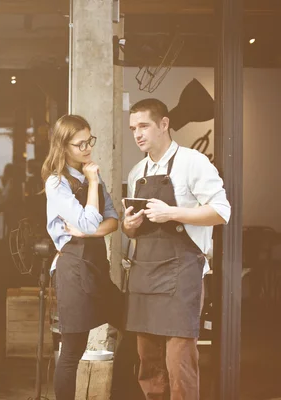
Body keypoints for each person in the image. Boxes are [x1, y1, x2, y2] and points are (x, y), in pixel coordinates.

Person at [122, 98, 231, 399]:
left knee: (178, 361)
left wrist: (172, 213)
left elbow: (222, 212)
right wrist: (129, 224)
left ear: (164, 124)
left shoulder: (193, 162)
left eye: (144, 126)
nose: (137, 134)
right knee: (148, 362)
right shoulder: (137, 173)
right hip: (145, 273)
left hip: (181, 273)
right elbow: (131, 232)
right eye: (133, 128)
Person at [43, 114, 123, 400]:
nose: (88, 148)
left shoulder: (93, 173)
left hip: (96, 266)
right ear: (63, 147)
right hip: (73, 269)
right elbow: (93, 222)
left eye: (90, 141)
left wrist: (89, 233)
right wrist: (91, 182)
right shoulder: (57, 183)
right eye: (80, 144)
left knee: (133, 323)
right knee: (72, 351)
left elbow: (114, 220)